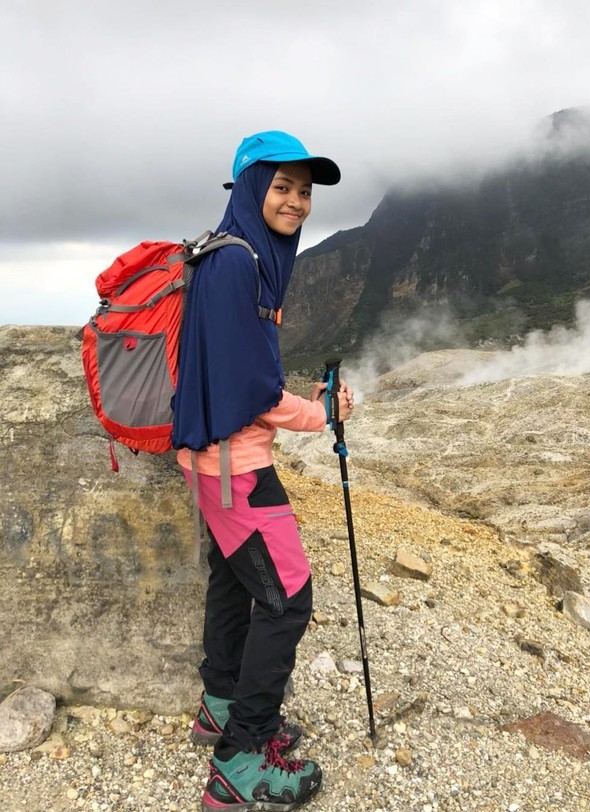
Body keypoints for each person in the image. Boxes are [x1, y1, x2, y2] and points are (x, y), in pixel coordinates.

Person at [171, 131, 353, 811]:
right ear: (249, 188)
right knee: (288, 598)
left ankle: (220, 708)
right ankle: (241, 761)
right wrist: (323, 412)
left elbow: (238, 372)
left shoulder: (231, 256)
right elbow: (254, 391)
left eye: (304, 191)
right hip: (236, 468)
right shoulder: (240, 266)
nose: (297, 202)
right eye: (282, 187)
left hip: (211, 461)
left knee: (232, 579)